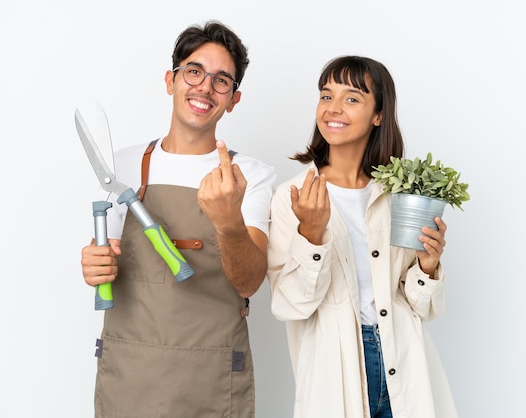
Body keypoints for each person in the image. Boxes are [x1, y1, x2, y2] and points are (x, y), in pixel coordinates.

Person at [80, 21, 276, 418]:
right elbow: (109, 259)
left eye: (221, 80)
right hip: (129, 375)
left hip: (211, 379)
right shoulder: (124, 163)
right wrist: (95, 264)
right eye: (194, 71)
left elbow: (250, 281)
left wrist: (227, 221)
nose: (205, 87)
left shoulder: (250, 176)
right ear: (171, 80)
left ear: (234, 99)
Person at [267, 56, 457, 418]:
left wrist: (427, 266)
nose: (333, 109)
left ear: (379, 115)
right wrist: (311, 233)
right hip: (336, 370)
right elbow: (289, 304)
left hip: (404, 359)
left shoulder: (400, 195)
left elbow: (421, 307)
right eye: (326, 96)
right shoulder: (291, 196)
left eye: (352, 98)